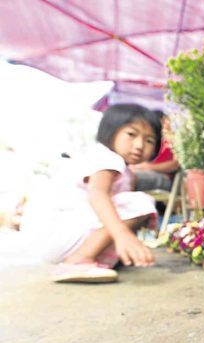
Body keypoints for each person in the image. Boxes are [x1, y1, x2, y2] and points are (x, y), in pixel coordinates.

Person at [20, 104, 162, 283]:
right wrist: (122, 236)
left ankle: (91, 259)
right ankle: (78, 261)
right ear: (111, 132)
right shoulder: (108, 158)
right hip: (57, 230)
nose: (140, 145)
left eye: (149, 140)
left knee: (128, 207)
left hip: (52, 235)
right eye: (131, 135)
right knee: (140, 203)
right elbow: (97, 194)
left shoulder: (122, 169)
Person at [130, 110, 179, 191]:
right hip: (142, 171)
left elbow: (175, 164)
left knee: (129, 178)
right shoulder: (150, 139)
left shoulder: (175, 139)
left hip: (164, 177)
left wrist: (148, 167)